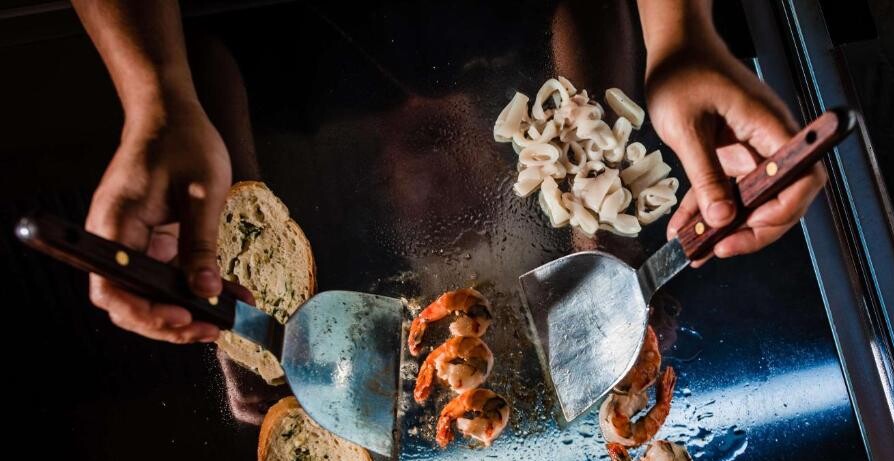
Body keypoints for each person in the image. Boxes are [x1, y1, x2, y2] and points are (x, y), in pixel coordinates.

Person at [71, 0, 825, 344]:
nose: (446, 195)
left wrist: (160, 104)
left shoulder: (295, 101)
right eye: (458, 220)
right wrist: (678, 31)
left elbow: (204, 49)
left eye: (432, 224)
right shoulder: (507, 45)